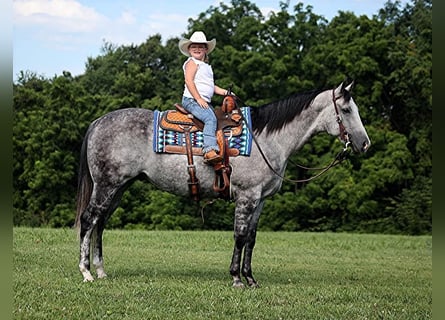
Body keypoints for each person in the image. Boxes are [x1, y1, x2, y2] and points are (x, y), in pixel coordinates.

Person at [178, 31, 232, 164]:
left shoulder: (206, 67)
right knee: (209, 118)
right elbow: (189, 81)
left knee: (219, 118)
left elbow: (212, 87)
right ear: (189, 50)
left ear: (206, 49)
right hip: (192, 100)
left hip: (203, 101)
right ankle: (209, 150)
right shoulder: (192, 62)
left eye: (200, 46)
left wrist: (227, 93)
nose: (197, 49)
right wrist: (198, 98)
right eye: (194, 46)